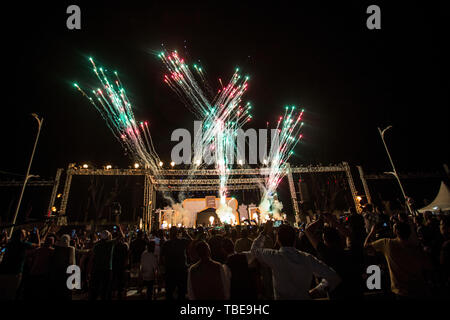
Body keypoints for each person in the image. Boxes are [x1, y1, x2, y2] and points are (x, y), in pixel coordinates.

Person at [251, 221, 341, 300]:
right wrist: (318, 290)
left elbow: (254, 250)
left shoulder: (273, 257)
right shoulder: (307, 258)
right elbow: (333, 277)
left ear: (278, 240)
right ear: (295, 239)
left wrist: (264, 232)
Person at [364, 221, 433, 299]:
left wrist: (371, 232)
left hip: (401, 290)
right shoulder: (417, 248)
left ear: (396, 231)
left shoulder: (387, 243)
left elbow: (366, 247)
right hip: (418, 288)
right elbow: (428, 266)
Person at [0, 229, 40, 300]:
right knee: (10, 295)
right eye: (24, 232)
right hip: (14, 273)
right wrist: (37, 234)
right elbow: (38, 245)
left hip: (3, 271)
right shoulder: (23, 244)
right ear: (21, 235)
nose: (26, 233)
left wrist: (5, 235)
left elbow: (5, 243)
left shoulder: (10, 243)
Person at [160, 226, 190, 300]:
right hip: (181, 271)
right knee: (181, 293)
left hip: (170, 271)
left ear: (170, 233)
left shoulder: (166, 244)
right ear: (177, 233)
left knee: (169, 293)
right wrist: (185, 233)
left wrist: (164, 268)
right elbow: (192, 241)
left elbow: (162, 258)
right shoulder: (182, 242)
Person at [50, 234, 76, 300]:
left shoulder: (56, 249)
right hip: (66, 273)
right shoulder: (71, 249)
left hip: (57, 273)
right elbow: (71, 263)